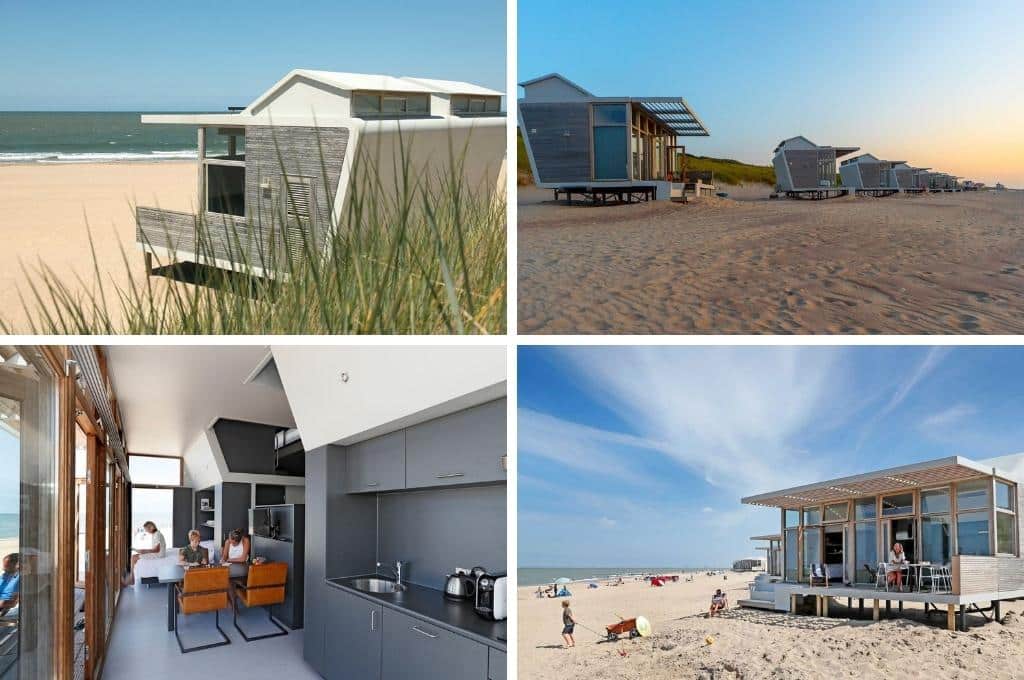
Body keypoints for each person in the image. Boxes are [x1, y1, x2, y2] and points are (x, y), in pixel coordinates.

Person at [124, 521, 165, 586]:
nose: (147, 531)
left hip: (159, 554)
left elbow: (157, 550)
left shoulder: (157, 535)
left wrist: (144, 551)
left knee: (134, 557)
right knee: (134, 556)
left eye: (147, 529)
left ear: (151, 527)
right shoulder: (155, 534)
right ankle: (132, 577)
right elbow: (155, 548)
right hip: (158, 553)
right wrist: (143, 551)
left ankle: (132, 578)